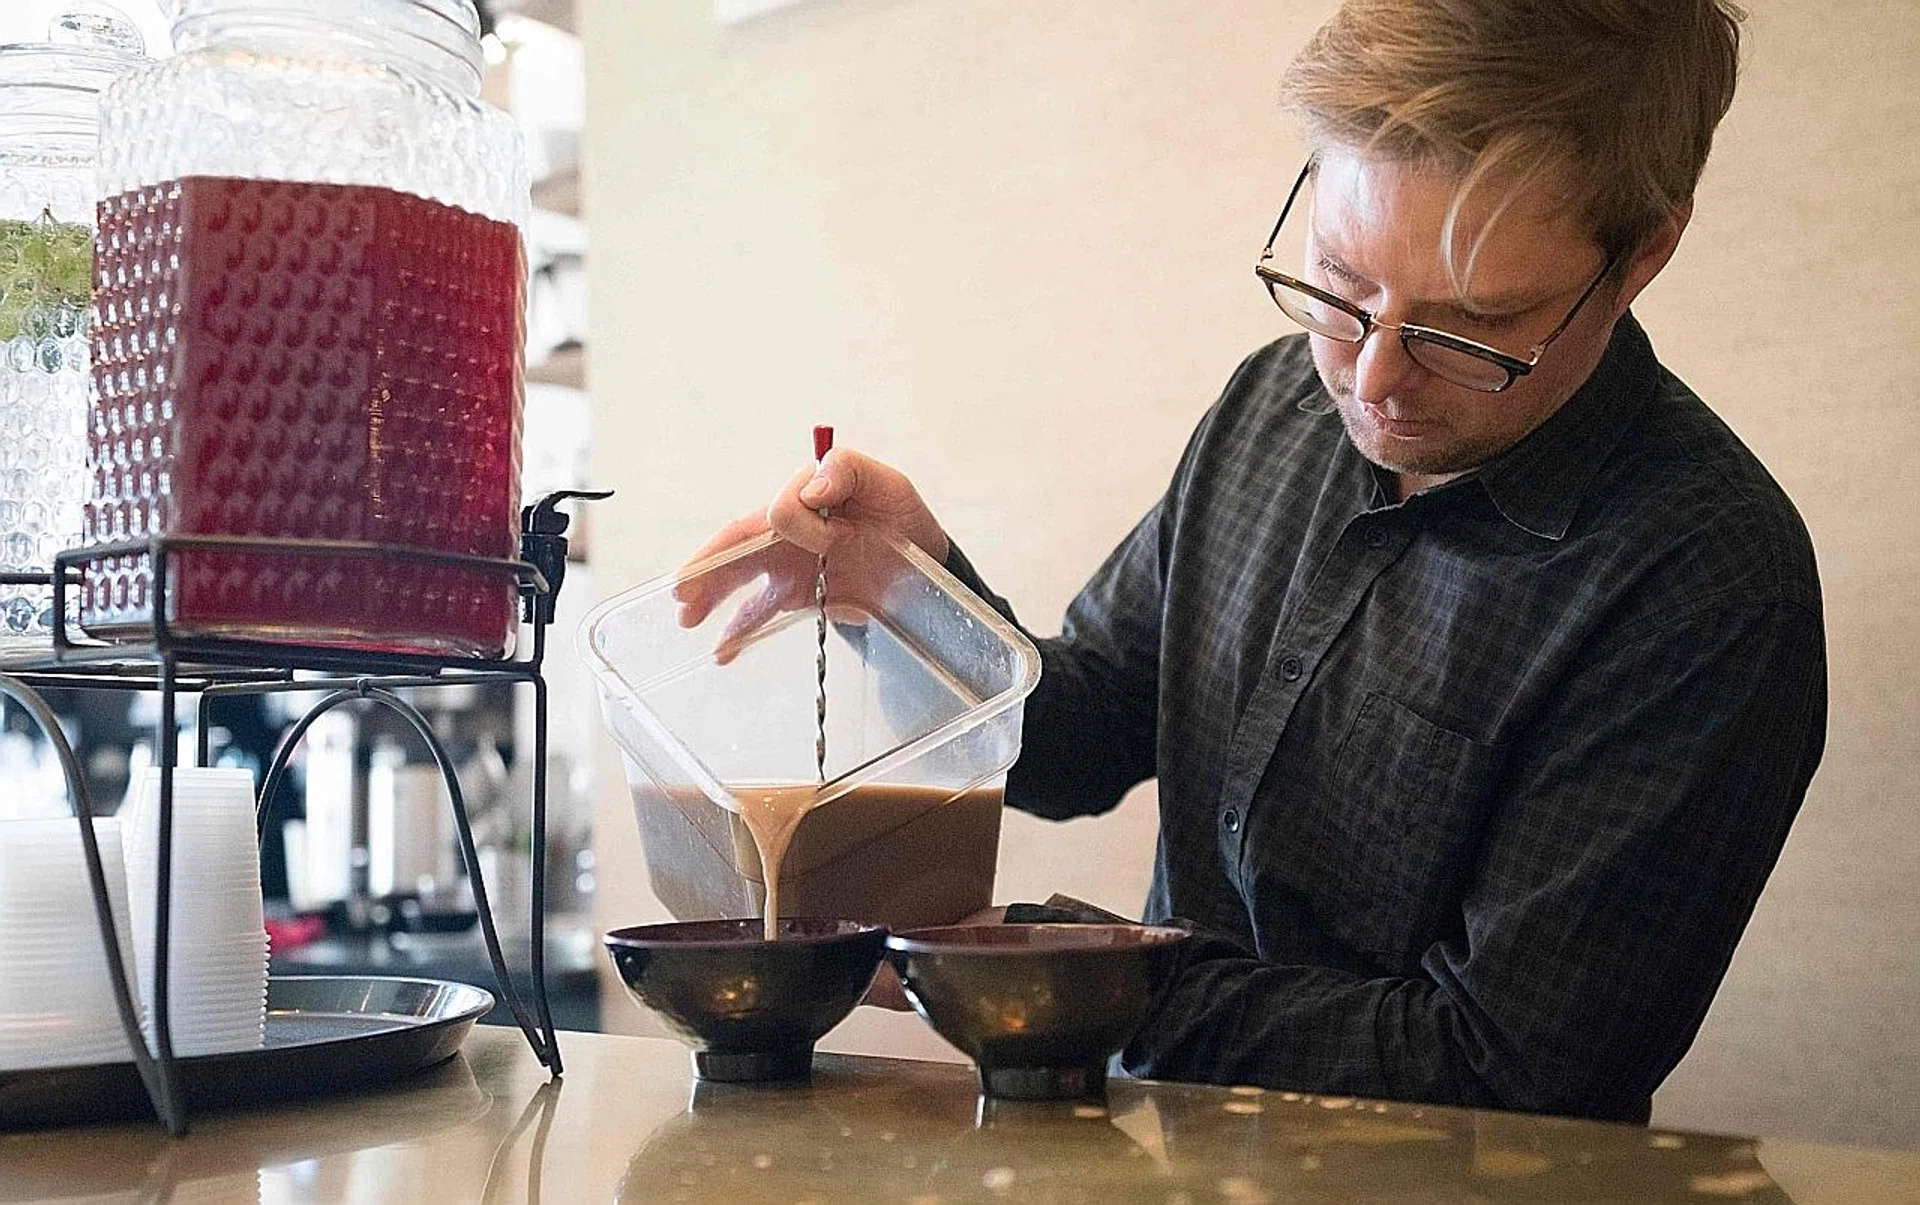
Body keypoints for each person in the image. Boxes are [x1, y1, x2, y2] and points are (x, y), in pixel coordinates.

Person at [676, 0, 1825, 1125]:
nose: (1372, 379)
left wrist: (1045, 968)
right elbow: (1083, 735)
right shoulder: (1274, 406)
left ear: (1642, 257)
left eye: (1470, 326)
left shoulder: (1708, 578)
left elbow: (1503, 1069)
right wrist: (913, 590)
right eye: (1337, 282)